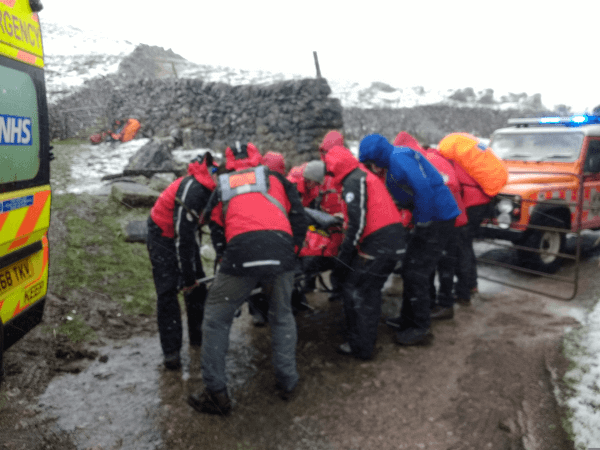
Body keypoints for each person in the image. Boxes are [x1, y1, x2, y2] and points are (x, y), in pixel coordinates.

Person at [188, 142, 308, 415]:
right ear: (256, 157)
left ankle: (216, 393)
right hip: (280, 250)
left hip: (240, 253)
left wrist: (224, 255)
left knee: (216, 320)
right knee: (282, 315)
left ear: (229, 161)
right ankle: (287, 382)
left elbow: (214, 224)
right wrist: (292, 251)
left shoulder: (223, 184)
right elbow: (298, 217)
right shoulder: (276, 178)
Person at [359, 134, 460, 346]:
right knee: (410, 269)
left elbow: (423, 190)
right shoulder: (394, 159)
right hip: (432, 216)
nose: (372, 166)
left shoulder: (399, 159)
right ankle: (408, 318)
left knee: (417, 273)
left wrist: (422, 225)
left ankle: (420, 328)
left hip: (437, 218)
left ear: (376, 157)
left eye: (371, 162)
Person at [323, 144, 407, 360]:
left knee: (356, 290)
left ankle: (361, 345)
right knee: (369, 290)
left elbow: (357, 223)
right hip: (392, 237)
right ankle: (365, 339)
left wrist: (344, 257)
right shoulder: (363, 175)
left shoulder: (353, 181)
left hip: (380, 242)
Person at [146, 152, 217, 370]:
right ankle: (171, 352)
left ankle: (198, 336)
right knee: (168, 290)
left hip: (185, 232)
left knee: (198, 282)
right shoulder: (193, 190)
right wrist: (187, 278)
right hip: (161, 232)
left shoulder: (214, 187)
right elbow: (183, 238)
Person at [394, 132, 468, 320]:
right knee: (432, 265)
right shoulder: (422, 161)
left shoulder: (431, 161)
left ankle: (445, 305)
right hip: (441, 220)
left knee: (445, 263)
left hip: (448, 220)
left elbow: (448, 187)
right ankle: (433, 303)